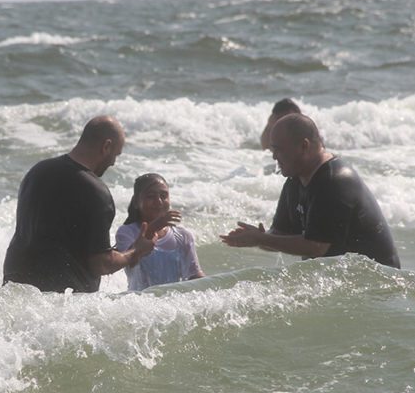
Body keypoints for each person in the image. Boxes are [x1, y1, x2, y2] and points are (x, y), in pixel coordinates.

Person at [3, 116, 161, 293]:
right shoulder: (96, 192)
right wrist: (135, 252)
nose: (113, 162)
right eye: (115, 154)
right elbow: (101, 264)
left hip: (15, 288)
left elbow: (52, 237)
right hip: (61, 301)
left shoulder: (37, 172)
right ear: (106, 146)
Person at [222, 113, 400, 268]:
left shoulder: (335, 180)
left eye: (278, 149)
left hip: (379, 284)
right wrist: (257, 237)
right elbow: (280, 236)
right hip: (341, 279)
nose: (274, 156)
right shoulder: (295, 180)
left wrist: (261, 239)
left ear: (304, 146)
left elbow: (316, 246)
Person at [115, 173, 204, 291]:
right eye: (151, 196)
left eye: (163, 196)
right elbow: (129, 261)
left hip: (171, 304)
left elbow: (194, 276)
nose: (159, 201)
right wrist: (153, 228)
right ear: (136, 202)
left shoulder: (183, 235)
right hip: (138, 304)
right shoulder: (126, 232)